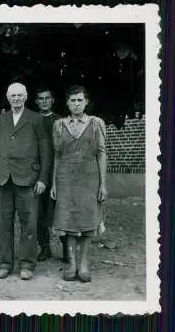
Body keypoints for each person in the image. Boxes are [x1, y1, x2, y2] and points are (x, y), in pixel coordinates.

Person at [0, 82, 51, 280]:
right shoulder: (0, 119)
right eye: (12, 95)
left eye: (19, 95)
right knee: (1, 224)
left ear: (25, 97)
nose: (16, 99)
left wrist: (42, 179)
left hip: (28, 179)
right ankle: (4, 263)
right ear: (7, 97)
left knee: (29, 225)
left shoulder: (36, 119)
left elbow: (45, 151)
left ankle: (27, 265)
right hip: (2, 179)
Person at [50, 85, 107, 283]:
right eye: (72, 100)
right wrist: (54, 183)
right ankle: (72, 263)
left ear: (86, 102)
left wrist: (103, 184)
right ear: (67, 103)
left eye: (80, 100)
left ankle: (84, 264)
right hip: (65, 178)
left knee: (88, 220)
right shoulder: (59, 125)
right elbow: (57, 155)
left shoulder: (96, 123)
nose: (76, 104)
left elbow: (101, 153)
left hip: (89, 177)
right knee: (68, 221)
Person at [33, 88, 68, 263]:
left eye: (47, 98)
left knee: (60, 211)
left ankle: (66, 248)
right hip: (37, 172)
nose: (44, 101)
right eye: (41, 98)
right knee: (39, 212)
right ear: (37, 101)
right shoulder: (33, 120)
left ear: (52, 100)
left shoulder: (60, 121)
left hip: (57, 171)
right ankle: (44, 247)